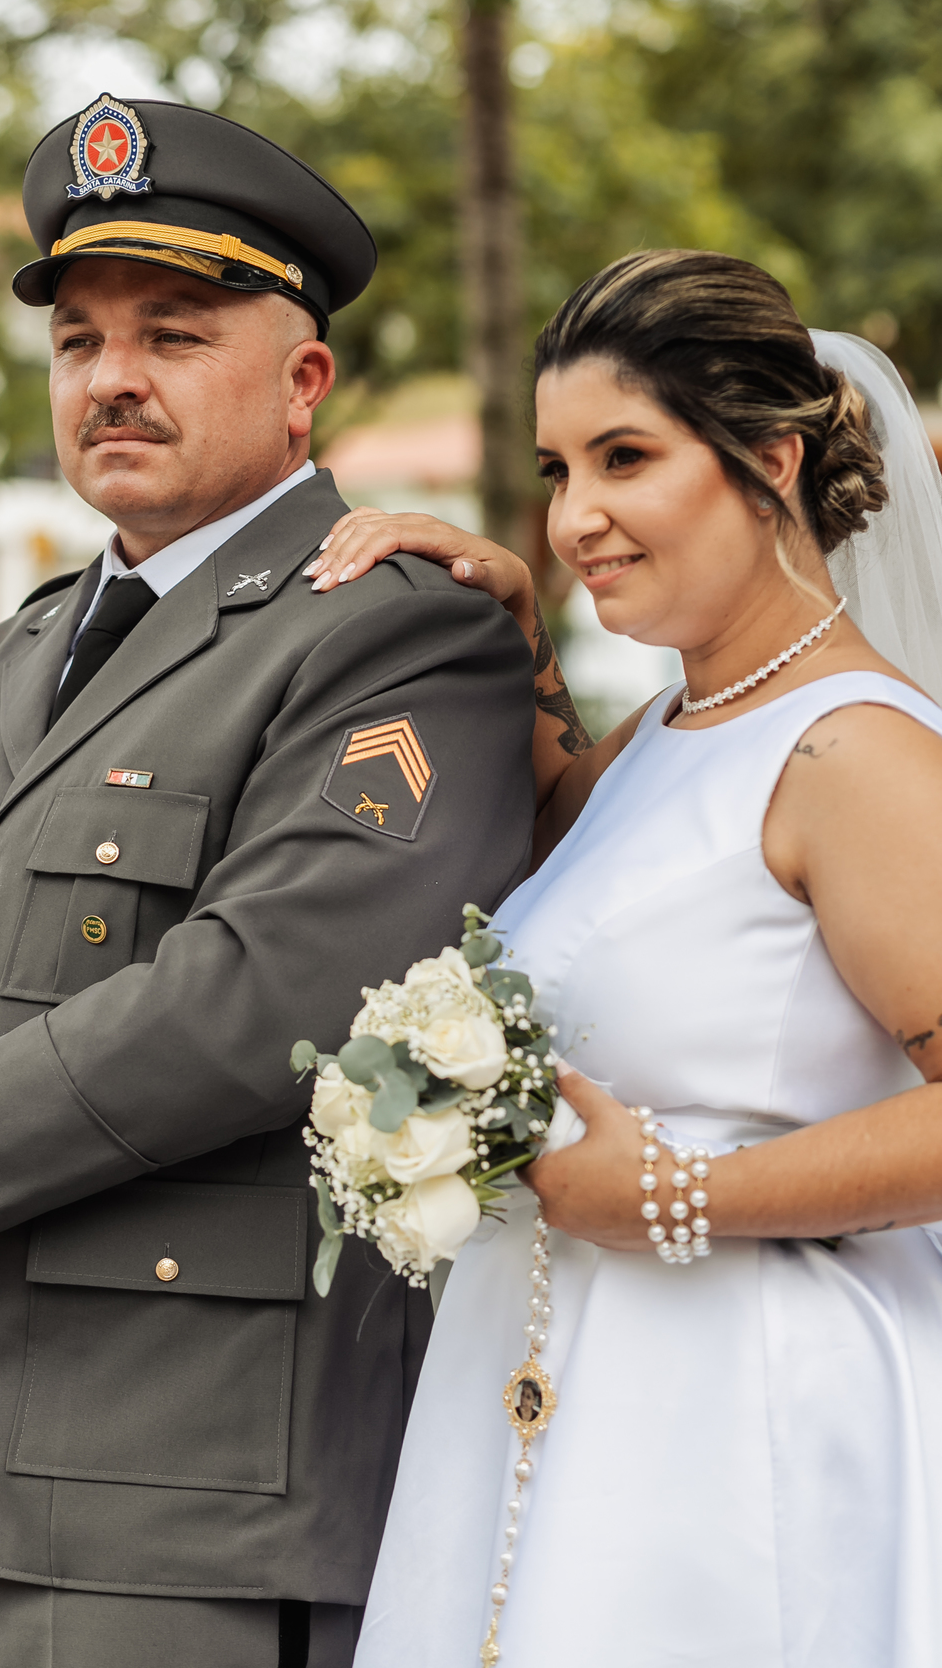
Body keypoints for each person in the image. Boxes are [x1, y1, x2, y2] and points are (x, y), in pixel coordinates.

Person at [0, 96, 563, 1668]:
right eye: (79, 341)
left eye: (173, 336)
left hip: (191, 1484)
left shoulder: (394, 630)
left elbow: (274, 989)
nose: (111, 378)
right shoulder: (2, 662)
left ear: (304, 383)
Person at [310, 249, 942, 1667]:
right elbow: (575, 876)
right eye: (558, 469)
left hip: (738, 1412)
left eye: (626, 458)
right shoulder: (669, 729)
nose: (574, 516)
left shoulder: (855, 754)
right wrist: (515, 640)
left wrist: (675, 1196)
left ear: (769, 460)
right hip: (565, 1373)